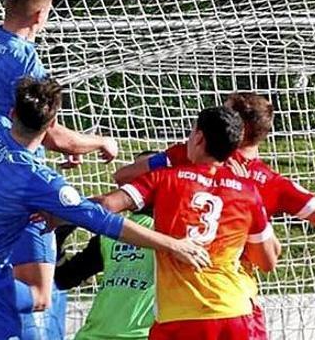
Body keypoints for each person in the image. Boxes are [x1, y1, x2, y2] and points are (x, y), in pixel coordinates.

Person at [0, 77, 210, 340]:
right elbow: (105, 221)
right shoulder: (37, 181)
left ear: (13, 112)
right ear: (52, 123)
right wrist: (173, 245)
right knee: (40, 297)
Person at [114, 92, 315, 340]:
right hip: (235, 305)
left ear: (238, 127)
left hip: (180, 307)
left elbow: (124, 176)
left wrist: (164, 169)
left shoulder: (187, 154)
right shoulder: (270, 183)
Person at [0, 0, 119, 329]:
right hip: (20, 181)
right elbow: (49, 132)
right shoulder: (25, 57)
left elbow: (23, 120)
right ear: (39, 13)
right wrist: (100, 143)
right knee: (39, 293)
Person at [95, 106, 280, 340]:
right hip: (233, 313)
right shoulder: (248, 191)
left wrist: (58, 212)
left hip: (181, 319)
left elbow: (106, 206)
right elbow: (267, 261)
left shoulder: (166, 178)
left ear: (199, 137)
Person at [52, 152, 158, 340]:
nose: (133, 180)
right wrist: (63, 230)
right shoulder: (112, 234)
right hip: (93, 336)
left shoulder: (175, 232)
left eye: (144, 174)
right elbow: (64, 278)